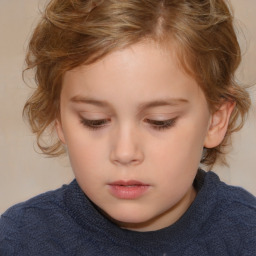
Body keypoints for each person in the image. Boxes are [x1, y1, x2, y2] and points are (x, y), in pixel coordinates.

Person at [1, 0, 255, 255]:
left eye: (160, 121)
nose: (124, 152)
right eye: (94, 120)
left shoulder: (247, 235)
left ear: (215, 120)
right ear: (58, 119)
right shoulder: (20, 241)